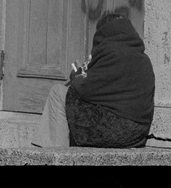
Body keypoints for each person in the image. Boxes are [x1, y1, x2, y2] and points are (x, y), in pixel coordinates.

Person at [32, 12, 155, 149]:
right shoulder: (144, 59)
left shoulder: (112, 53)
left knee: (58, 92)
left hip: (116, 131)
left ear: (103, 33)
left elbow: (85, 90)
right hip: (137, 134)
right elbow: (108, 90)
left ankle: (55, 155)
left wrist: (77, 76)